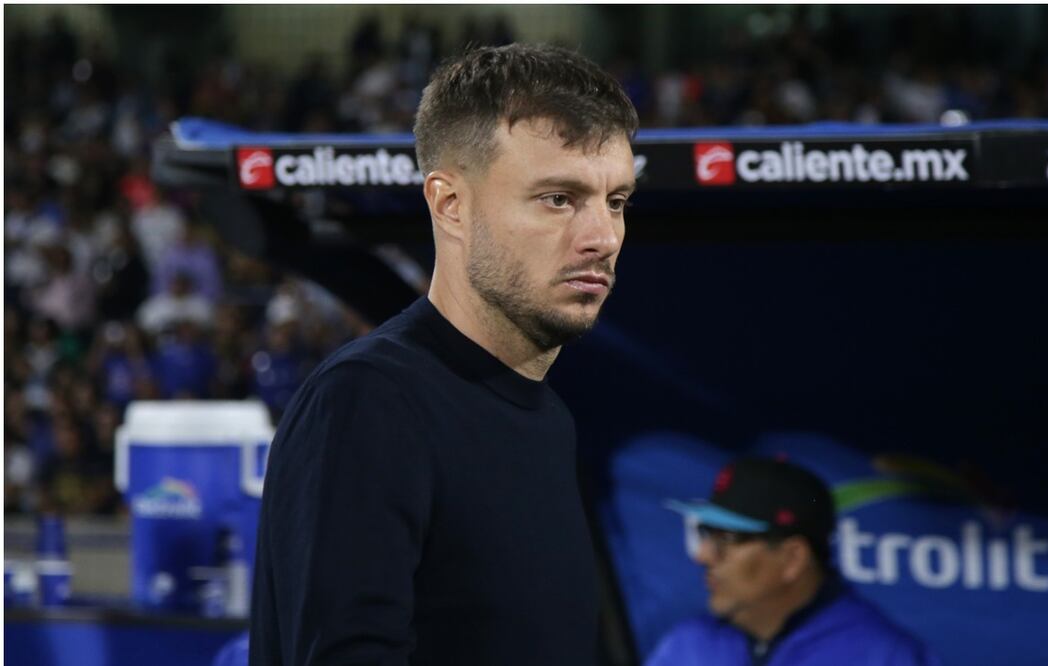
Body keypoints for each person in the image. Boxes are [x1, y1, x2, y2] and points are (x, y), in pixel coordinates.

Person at [249, 43, 638, 666]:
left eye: (615, 201)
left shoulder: (551, 422)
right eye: (558, 199)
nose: (602, 238)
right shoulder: (368, 403)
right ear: (449, 204)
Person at [649, 457, 942, 666]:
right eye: (705, 534)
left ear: (793, 558)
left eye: (725, 540)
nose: (701, 555)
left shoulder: (884, 657)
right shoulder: (689, 644)